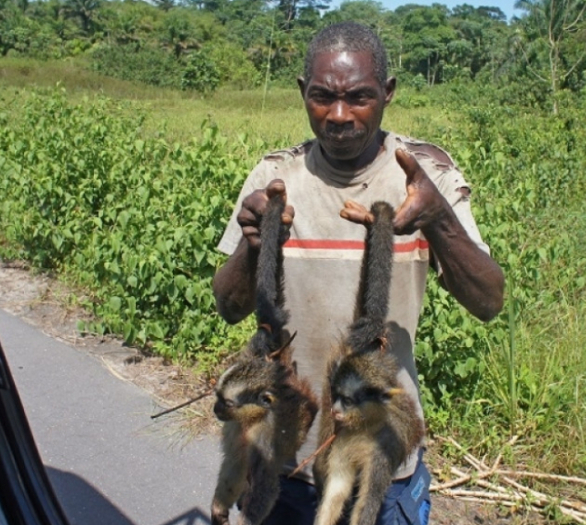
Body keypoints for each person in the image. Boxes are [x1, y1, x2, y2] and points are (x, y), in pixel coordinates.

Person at [212, 21, 504, 525]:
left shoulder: (423, 176)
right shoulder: (275, 177)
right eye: (322, 97)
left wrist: (437, 218)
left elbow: (488, 301)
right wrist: (253, 245)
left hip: (378, 462)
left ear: (388, 93)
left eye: (359, 98)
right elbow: (229, 305)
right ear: (303, 93)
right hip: (283, 460)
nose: (339, 115)